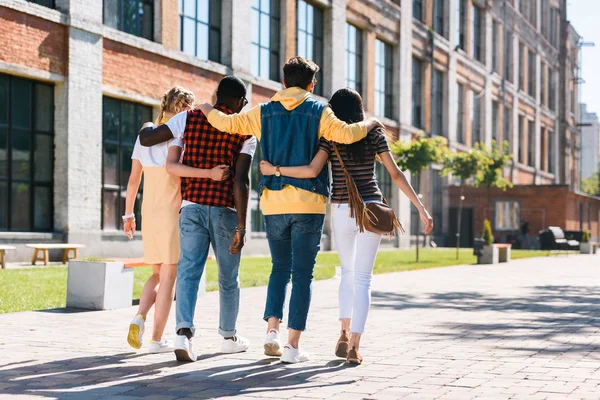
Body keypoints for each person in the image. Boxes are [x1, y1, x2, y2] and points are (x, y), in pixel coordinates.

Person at [197, 57, 384, 363]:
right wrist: (372, 122)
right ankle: (292, 347)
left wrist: (206, 107)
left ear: (283, 82)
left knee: (279, 268)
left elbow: (226, 124)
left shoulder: (262, 111)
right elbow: (350, 134)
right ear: (311, 84)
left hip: (273, 203)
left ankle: (272, 331)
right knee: (302, 275)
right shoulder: (320, 111)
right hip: (308, 206)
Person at [260, 88, 434, 364]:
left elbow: (311, 171)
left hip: (342, 209)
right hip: (372, 211)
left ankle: (341, 332)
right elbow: (396, 174)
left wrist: (275, 170)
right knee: (363, 279)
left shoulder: (329, 136)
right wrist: (421, 208)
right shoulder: (374, 134)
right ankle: (354, 344)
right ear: (359, 109)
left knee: (347, 273)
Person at [138, 76, 257, 362]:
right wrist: (242, 226)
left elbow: (148, 139)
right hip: (225, 211)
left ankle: (183, 335)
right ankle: (229, 336)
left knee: (189, 273)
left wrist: (146, 126)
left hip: (191, 208)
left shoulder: (188, 118)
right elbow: (241, 181)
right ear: (240, 102)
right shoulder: (246, 130)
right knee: (229, 277)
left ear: (216, 96)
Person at [124, 86, 199, 353]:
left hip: (149, 211)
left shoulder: (143, 136)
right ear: (183, 110)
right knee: (169, 278)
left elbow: (133, 180)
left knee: (155, 273)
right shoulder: (179, 138)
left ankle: (139, 316)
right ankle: (156, 339)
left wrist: (128, 214)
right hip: (172, 211)